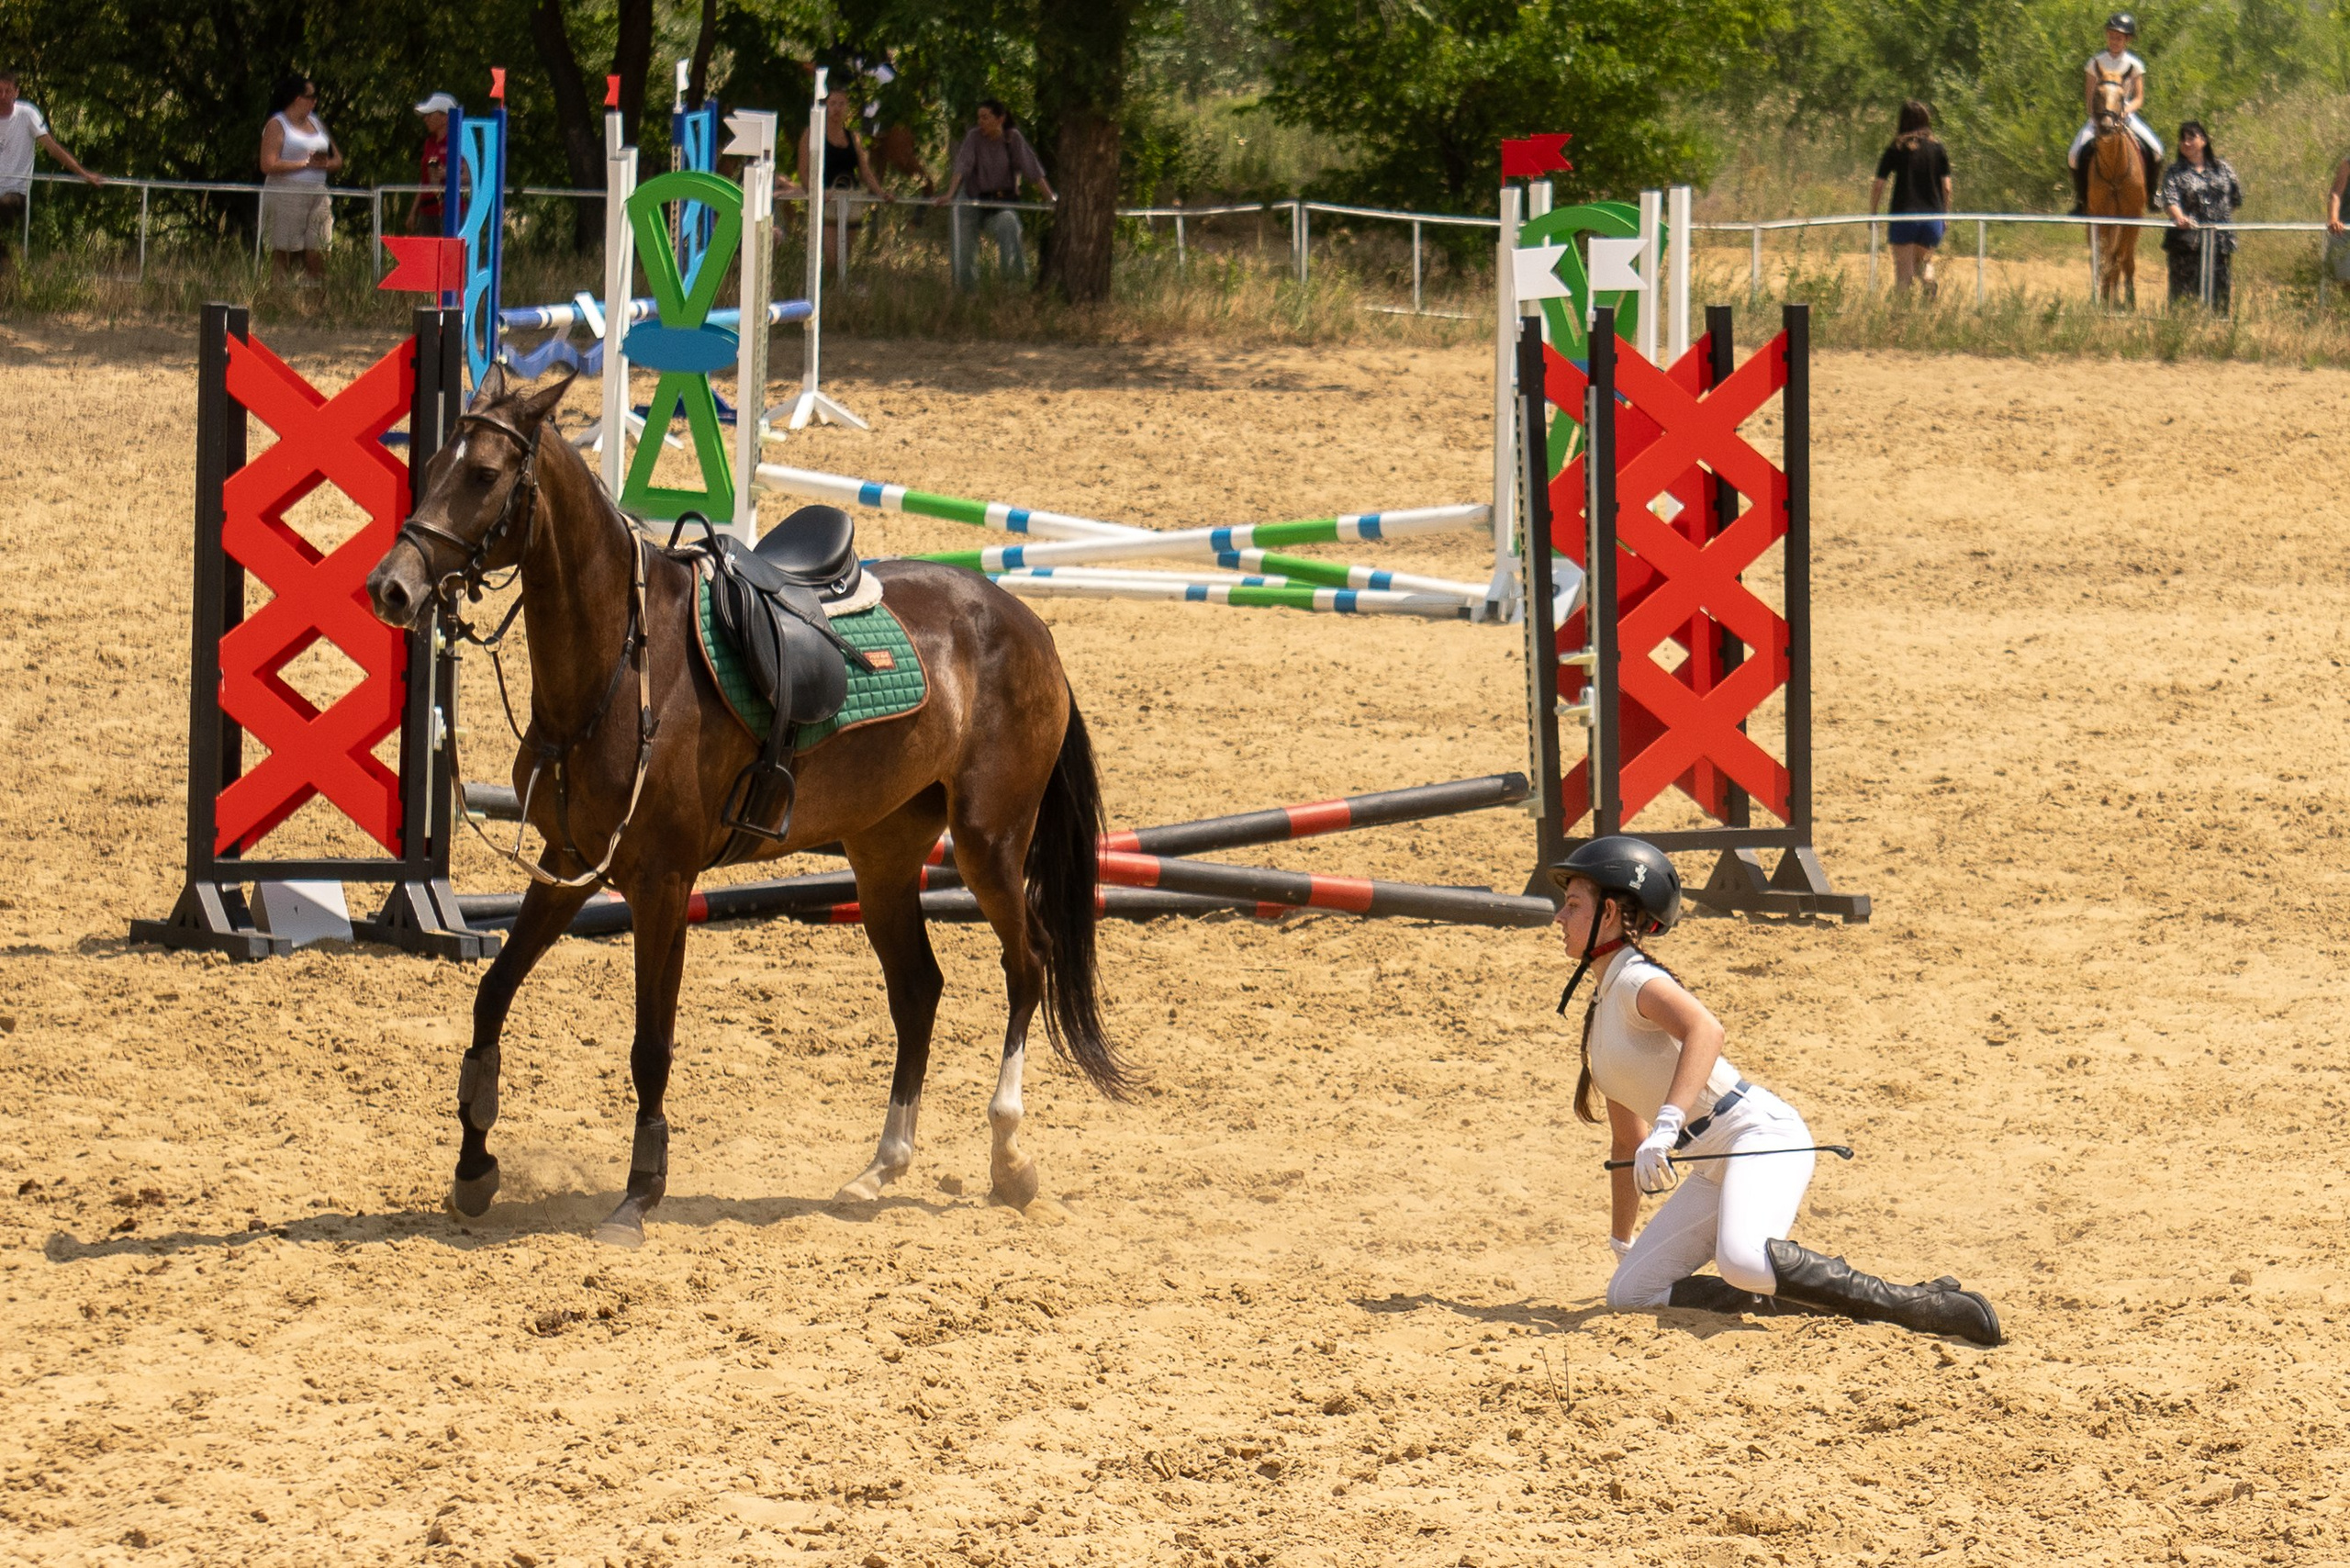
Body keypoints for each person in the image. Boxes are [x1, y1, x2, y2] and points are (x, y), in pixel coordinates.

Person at [1550, 836, 2001, 1345]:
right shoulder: (1602, 1010)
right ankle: (1828, 1306)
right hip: (1712, 1160)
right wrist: (1622, 1239)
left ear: (1609, 913)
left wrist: (1669, 1122)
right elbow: (1627, 1144)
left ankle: (1926, 1304)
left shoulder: (1637, 980)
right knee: (1630, 1292)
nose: (1559, 919)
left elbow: (1706, 1030)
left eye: (1573, 905)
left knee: (1741, 1259)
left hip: (1757, 1133)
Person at [0, 68, 106, 279]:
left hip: (15, 191)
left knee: (3, 205)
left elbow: (52, 148)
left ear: (16, 92)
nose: (2, 97)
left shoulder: (27, 114)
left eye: (7, 91)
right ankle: (5, 261)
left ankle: (6, 260)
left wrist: (83, 173)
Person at [939, 100, 1056, 290]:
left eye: (985, 117)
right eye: (979, 118)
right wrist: (950, 194)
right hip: (972, 199)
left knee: (1009, 223)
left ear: (1000, 119)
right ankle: (966, 292)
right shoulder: (973, 137)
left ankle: (1013, 286)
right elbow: (962, 166)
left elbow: (1033, 170)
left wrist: (1050, 199)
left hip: (1001, 202)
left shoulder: (1013, 139)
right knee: (963, 240)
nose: (980, 122)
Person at [778, 82, 892, 271]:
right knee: (832, 259)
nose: (837, 108)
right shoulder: (811, 134)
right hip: (827, 198)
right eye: (833, 103)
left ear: (847, 107)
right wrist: (817, 192)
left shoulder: (853, 136)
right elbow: (803, 171)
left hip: (851, 197)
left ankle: (840, 294)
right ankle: (829, 293)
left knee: (845, 259)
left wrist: (881, 193)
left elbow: (865, 171)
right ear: (825, 106)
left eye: (842, 104)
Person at [2069, 13, 2163, 215]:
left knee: (2157, 150)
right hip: (2099, 116)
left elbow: (2138, 98)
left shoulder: (2134, 64)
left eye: (2119, 38)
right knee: (2073, 155)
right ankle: (2081, 200)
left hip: (2125, 115)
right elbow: (2089, 98)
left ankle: (2153, 195)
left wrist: (2124, 111)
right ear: (2107, 36)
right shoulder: (2095, 62)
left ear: (2127, 40)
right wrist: (2098, 118)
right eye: (2111, 36)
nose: (2114, 41)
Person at [259, 74, 341, 290]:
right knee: (284, 250)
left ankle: (316, 300)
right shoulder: (277, 124)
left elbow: (337, 159)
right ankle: (280, 297)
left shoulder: (317, 123)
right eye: (310, 96)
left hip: (318, 192)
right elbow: (268, 164)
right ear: (296, 98)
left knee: (319, 248)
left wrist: (322, 164)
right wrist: (304, 164)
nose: (315, 101)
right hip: (286, 191)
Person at [1870, 100, 1952, 301]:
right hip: (1933, 217)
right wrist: (1945, 216)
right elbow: (1947, 187)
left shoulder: (1895, 148)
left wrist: (1873, 213)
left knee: (1903, 276)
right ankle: (1929, 284)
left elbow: (1879, 184)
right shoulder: (1938, 148)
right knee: (1924, 264)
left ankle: (1899, 323)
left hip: (1903, 217)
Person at [2160, 120, 2242, 311]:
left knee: (2219, 293)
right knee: (2184, 296)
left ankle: (2217, 330)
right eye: (2182, 139)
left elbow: (2236, 198)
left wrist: (2219, 216)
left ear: (2204, 140)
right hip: (2187, 241)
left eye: (2191, 138)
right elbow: (2169, 199)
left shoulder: (2223, 168)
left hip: (2219, 240)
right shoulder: (2174, 171)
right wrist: (2180, 217)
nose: (2186, 143)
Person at [410, 91, 456, 236]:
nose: (426, 119)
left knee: (450, 257)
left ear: (444, 117)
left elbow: (469, 178)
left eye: (430, 115)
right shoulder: (429, 143)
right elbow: (424, 181)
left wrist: (448, 173)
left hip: (451, 212)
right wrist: (413, 212)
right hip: (426, 213)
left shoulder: (458, 142)